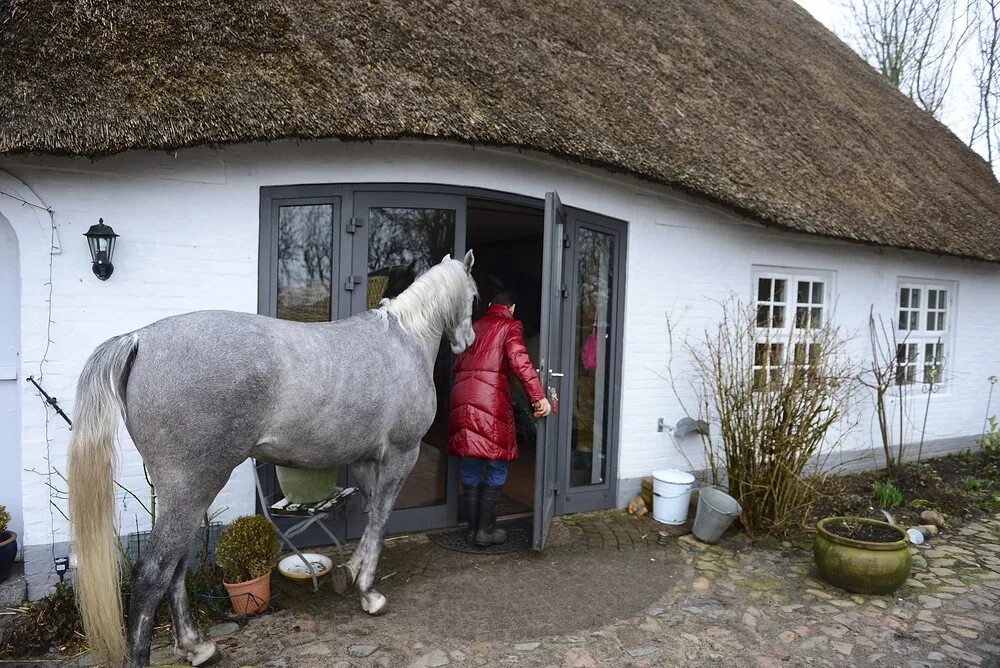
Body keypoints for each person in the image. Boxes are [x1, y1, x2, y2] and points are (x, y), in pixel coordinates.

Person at [448, 290, 552, 546]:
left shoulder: (473, 325)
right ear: (511, 307)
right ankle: (486, 530)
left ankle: (473, 530)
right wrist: (538, 397)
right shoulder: (509, 325)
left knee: (471, 458)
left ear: (491, 305)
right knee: (496, 462)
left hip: (462, 397)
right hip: (490, 400)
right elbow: (520, 362)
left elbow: (456, 363)